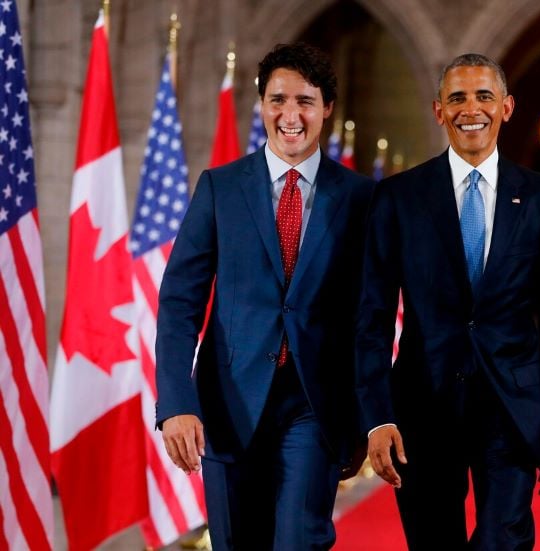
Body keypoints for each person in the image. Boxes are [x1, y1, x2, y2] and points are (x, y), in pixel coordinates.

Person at [355, 53, 540, 549]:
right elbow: (370, 319)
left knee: (502, 539)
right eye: (457, 97)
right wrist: (377, 416)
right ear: (439, 111)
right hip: (422, 408)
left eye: (484, 96)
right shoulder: (397, 197)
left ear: (507, 107)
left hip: (513, 408)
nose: (470, 108)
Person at [155, 43, 373, 550]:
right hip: (228, 408)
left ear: (327, 109)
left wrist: (368, 414)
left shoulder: (362, 198)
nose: (290, 115)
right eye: (277, 99)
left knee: (299, 538)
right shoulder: (220, 188)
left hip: (315, 406)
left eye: (304, 101)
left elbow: (371, 315)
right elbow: (179, 303)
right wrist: (175, 403)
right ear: (260, 105)